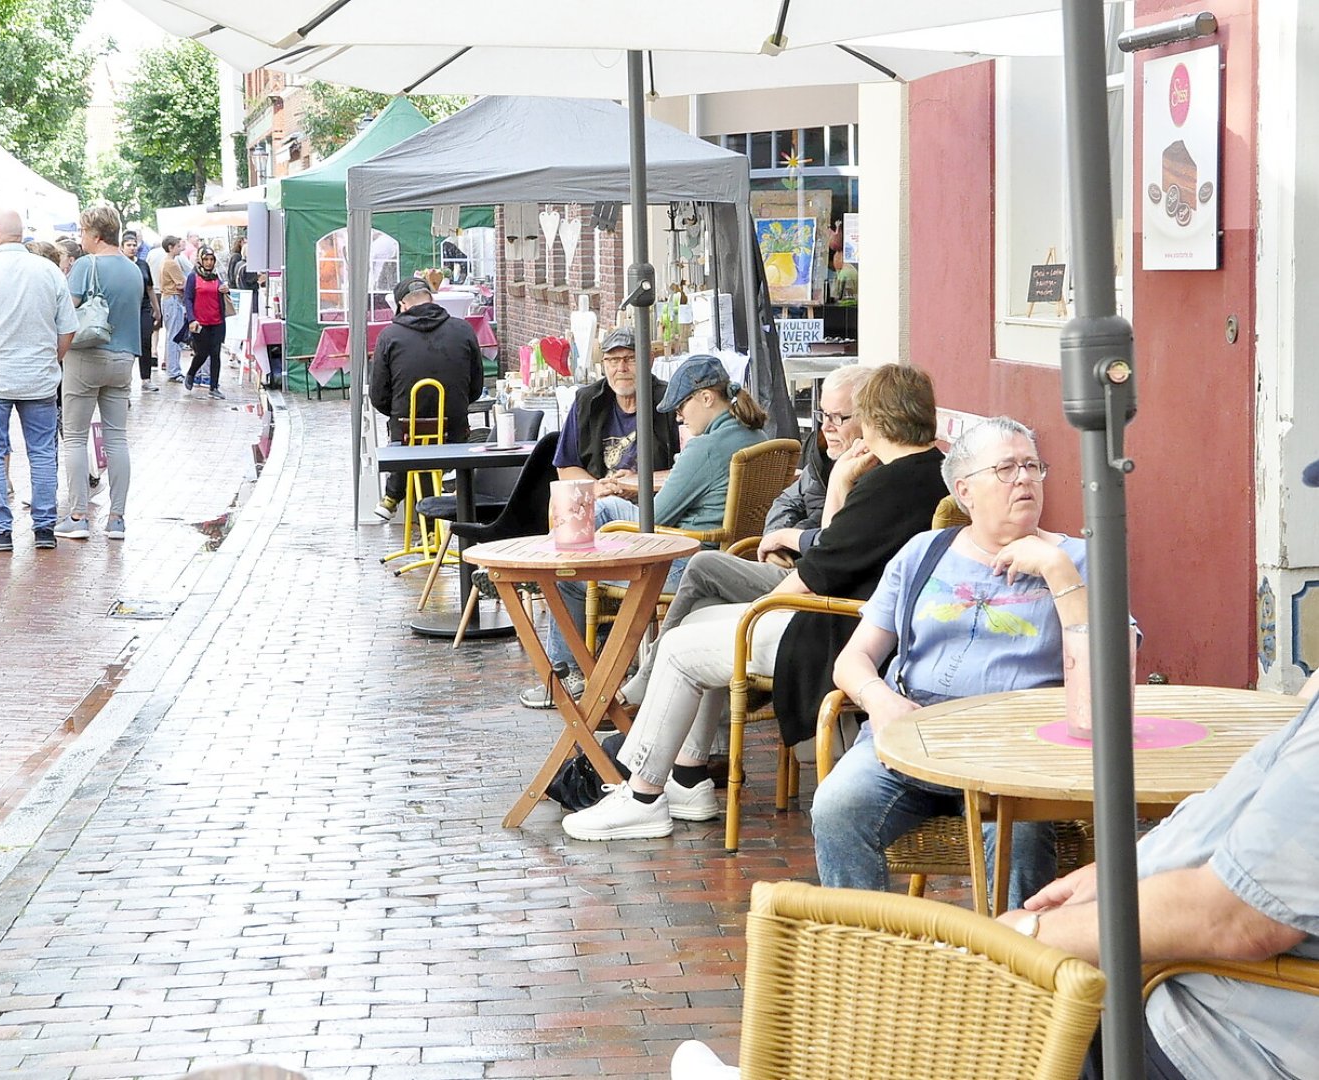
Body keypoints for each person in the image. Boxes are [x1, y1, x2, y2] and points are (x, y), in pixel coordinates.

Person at [560, 364, 947, 843]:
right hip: (859, 625)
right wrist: (843, 483)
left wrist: (753, 613)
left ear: (873, 419)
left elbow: (811, 577)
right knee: (699, 619)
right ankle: (686, 777)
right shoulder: (934, 474)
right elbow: (835, 552)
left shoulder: (890, 486)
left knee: (682, 646)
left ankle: (641, 795)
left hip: (831, 633)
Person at [814, 416, 1097, 908]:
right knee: (837, 807)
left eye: (1032, 465)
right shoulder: (924, 553)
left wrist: (1056, 572)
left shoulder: (1078, 559)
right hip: (914, 736)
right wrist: (878, 700)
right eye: (1006, 468)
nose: (1025, 478)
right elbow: (854, 657)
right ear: (965, 490)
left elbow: (1110, 667)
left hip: (1017, 748)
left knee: (1021, 838)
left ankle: (1014, 966)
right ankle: (863, 957)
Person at [993, 702, 1319, 1080]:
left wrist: (1027, 936)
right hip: (1183, 983)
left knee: (971, 1010)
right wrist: (1123, 872)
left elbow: (1233, 921)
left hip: (1209, 1032)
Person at [616, 364, 876, 709]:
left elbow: (653, 518)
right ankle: (701, 751)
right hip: (776, 561)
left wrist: (789, 538)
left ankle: (598, 672)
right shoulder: (784, 442)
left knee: (684, 559)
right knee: (703, 605)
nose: (826, 426)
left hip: (809, 588)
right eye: (822, 414)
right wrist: (774, 539)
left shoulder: (869, 471)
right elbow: (787, 500)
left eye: (837, 418)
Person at [519, 356, 768, 709]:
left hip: (682, 563)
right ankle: (597, 643)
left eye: (682, 406)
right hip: (729, 555)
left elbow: (655, 517)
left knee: (570, 573)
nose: (680, 416)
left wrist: (623, 492)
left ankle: (566, 674)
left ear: (707, 398)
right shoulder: (754, 434)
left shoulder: (706, 447)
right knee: (600, 514)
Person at [0, 207, 77, 552]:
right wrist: (53, 360)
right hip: (39, 377)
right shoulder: (49, 271)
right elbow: (68, 328)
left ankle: (1, 529)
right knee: (42, 451)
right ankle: (45, 526)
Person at [55, 205, 142, 542]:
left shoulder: (85, 266)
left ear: (95, 234)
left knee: (75, 436)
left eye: (82, 232)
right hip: (124, 358)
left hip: (86, 355)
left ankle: (78, 516)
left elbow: (66, 309)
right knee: (116, 437)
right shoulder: (133, 269)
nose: (80, 238)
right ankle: (117, 517)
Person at [368, 277, 485, 521]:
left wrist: (399, 413)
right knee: (430, 443)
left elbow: (378, 395)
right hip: (455, 428)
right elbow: (476, 386)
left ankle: (396, 497)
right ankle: (427, 527)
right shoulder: (463, 329)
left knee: (416, 443)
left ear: (402, 305)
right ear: (431, 298)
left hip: (406, 431)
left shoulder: (389, 336)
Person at [552, 326, 680, 496]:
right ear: (604, 364)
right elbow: (566, 466)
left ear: (650, 360)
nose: (621, 368)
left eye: (631, 359)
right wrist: (599, 488)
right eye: (613, 360)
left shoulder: (671, 401)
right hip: (600, 499)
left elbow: (689, 472)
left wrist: (637, 483)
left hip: (654, 506)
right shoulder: (587, 401)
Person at [181, 246, 230, 400]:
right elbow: (188, 298)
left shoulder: (217, 277)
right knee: (202, 352)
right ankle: (191, 373)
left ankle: (214, 387)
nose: (209, 263)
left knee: (215, 353)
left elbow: (224, 292)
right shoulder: (193, 277)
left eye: (211, 259)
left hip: (217, 321)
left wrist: (225, 290)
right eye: (206, 259)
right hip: (200, 323)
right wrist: (191, 319)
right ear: (200, 260)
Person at [123, 230, 159, 393]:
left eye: (134, 245)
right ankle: (125, 380)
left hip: (144, 307)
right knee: (127, 345)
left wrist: (156, 308)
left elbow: (150, 287)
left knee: (145, 340)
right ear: (122, 247)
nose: (132, 248)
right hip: (126, 309)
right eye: (128, 245)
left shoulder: (143, 264)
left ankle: (146, 379)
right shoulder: (120, 265)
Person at [156, 235, 187, 384]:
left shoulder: (165, 262)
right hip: (173, 299)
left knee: (171, 334)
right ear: (171, 247)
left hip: (168, 299)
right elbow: (182, 284)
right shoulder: (171, 264)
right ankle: (174, 370)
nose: (180, 248)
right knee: (175, 336)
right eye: (177, 245)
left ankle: (171, 367)